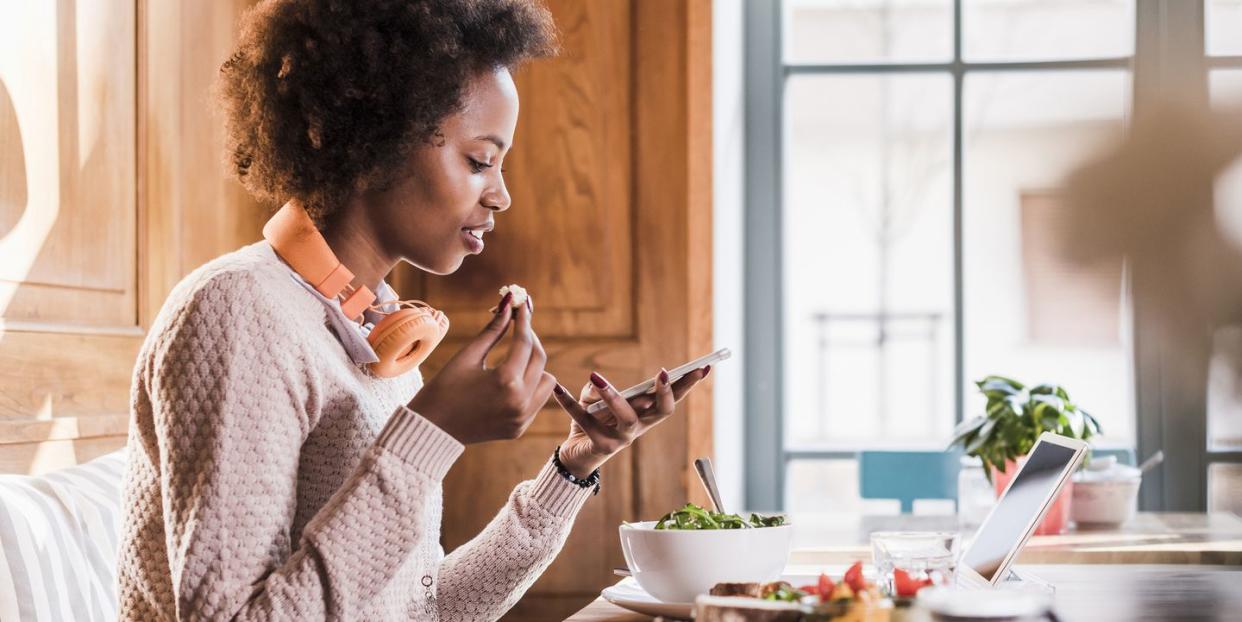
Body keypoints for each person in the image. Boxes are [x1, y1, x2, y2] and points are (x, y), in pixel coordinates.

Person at [115, 1, 707, 620]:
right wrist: (429, 436)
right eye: (479, 161)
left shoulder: (377, 324)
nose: (501, 195)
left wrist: (573, 466)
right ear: (377, 140)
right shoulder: (237, 313)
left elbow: (420, 607)